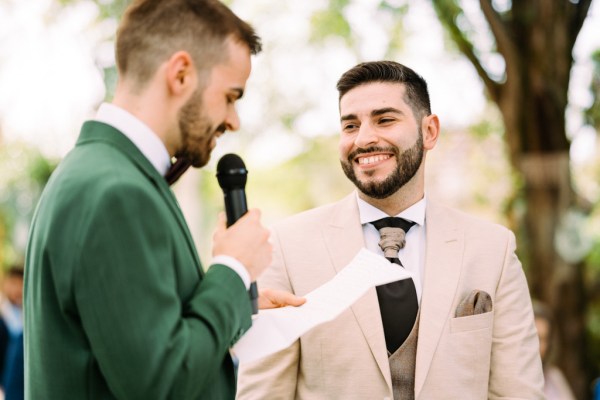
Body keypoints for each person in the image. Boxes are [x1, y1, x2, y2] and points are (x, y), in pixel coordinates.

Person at [24, 1, 302, 399]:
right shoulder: (116, 192)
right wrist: (233, 270)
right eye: (230, 96)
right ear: (181, 74)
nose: (234, 120)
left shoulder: (99, 170)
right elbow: (160, 384)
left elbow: (135, 342)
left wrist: (234, 309)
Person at [237, 61, 544, 399]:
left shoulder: (492, 249)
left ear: (429, 132)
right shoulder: (287, 245)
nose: (364, 138)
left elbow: (519, 392)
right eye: (350, 125)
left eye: (385, 119)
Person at [533, 301, 576, 400]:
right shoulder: (510, 378)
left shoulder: (554, 377)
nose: (538, 346)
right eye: (534, 337)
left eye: (543, 339)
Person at [0, 265, 24, 400]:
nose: (17, 289)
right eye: (13, 283)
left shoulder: (26, 316)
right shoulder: (3, 317)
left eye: (20, 284)